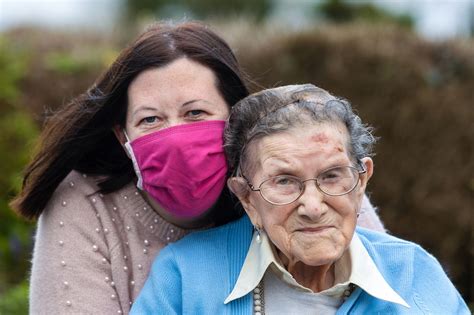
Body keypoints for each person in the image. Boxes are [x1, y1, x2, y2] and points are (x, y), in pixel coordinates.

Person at [10, 22, 384, 314]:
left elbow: (387, 284)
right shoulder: (84, 201)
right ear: (123, 138)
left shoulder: (310, 182)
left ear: (235, 117)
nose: (175, 137)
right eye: (151, 120)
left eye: (195, 113)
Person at [131, 84, 469, 314]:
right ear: (247, 198)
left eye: (332, 176)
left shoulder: (414, 274)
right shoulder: (185, 276)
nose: (312, 206)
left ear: (361, 180)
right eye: (285, 182)